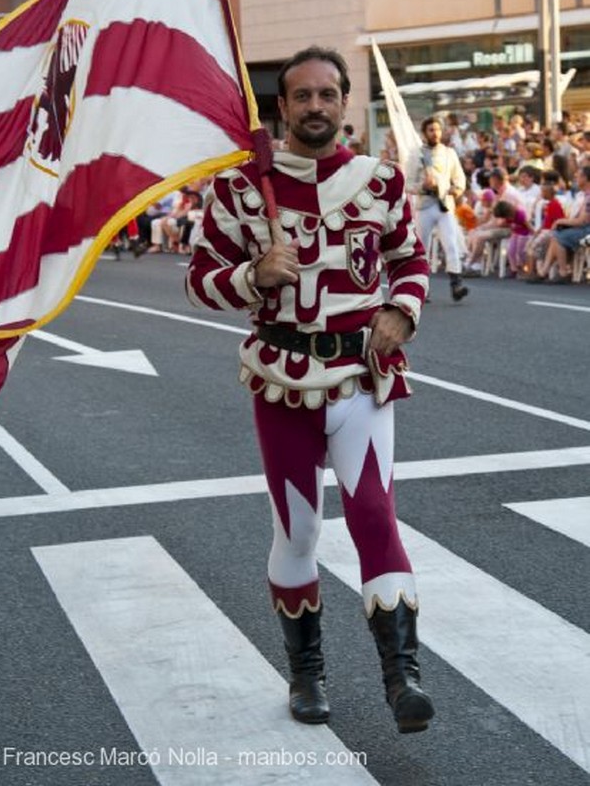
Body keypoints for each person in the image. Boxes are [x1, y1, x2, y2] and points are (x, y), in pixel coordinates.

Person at [187, 46, 434, 734]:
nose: (317, 107)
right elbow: (200, 275)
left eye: (329, 95)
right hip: (281, 382)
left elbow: (410, 259)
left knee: (375, 519)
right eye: (303, 97)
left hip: (361, 377)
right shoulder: (243, 187)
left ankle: (402, 677)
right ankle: (307, 674)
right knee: (298, 530)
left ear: (344, 103)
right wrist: (254, 275)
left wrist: (400, 310)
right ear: (283, 108)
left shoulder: (378, 181)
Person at [409, 116, 469, 301]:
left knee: (451, 243)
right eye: (431, 130)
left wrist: (455, 189)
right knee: (422, 248)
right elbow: (407, 183)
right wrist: (423, 187)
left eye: (437, 129)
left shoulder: (449, 153)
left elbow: (459, 179)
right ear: (424, 133)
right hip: (425, 205)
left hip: (444, 205)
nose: (435, 133)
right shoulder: (416, 154)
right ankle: (421, 287)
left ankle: (456, 283)